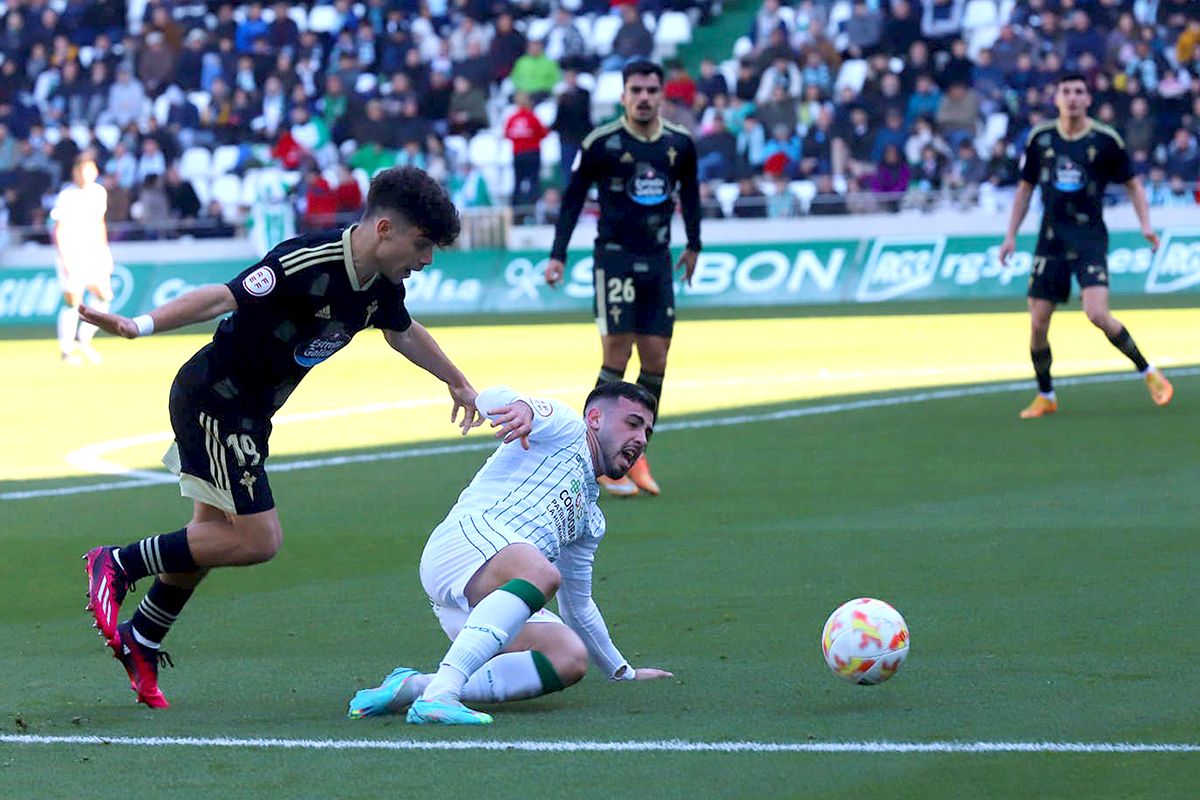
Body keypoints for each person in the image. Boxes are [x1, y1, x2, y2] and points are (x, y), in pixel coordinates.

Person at [77, 167, 483, 709]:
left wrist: (455, 379)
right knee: (257, 539)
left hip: (250, 413)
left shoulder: (382, 286)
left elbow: (401, 331)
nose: (427, 260)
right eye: (423, 244)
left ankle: (143, 637)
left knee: (208, 539)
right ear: (385, 228)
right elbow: (221, 298)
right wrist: (139, 326)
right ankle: (117, 563)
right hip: (216, 401)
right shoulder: (304, 260)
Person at [347, 382, 672, 725]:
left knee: (568, 656)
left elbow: (578, 605)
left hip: (481, 601)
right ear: (594, 417)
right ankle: (442, 695)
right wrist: (521, 408)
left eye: (647, 431)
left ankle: (415, 688)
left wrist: (622, 670)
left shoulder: (590, 519)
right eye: (632, 423)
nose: (641, 439)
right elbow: (492, 397)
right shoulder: (566, 428)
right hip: (462, 545)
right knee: (542, 574)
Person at [544, 61, 701, 498]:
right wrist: (557, 254)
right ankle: (588, 457)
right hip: (614, 258)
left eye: (652, 90)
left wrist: (694, 244)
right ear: (624, 96)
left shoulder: (680, 144)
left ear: (662, 95)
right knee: (617, 349)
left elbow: (689, 192)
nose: (645, 97)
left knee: (656, 359)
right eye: (637, 90)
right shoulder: (601, 144)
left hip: (658, 259)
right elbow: (572, 199)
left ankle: (634, 453)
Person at [998, 73, 1173, 419]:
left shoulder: (1105, 140)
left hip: (1089, 236)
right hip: (1051, 238)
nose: (1073, 97)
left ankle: (1148, 371)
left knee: (1096, 314)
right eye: (1066, 91)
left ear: (1088, 99)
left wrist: (1146, 226)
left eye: (1079, 91)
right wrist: (1010, 235)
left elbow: (1134, 185)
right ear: (1057, 98)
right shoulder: (1041, 138)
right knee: (1038, 323)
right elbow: (1024, 189)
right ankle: (1046, 394)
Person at [52, 153, 114, 364]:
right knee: (73, 302)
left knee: (104, 297)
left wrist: (105, 251)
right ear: (75, 173)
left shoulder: (99, 193)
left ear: (95, 171)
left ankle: (82, 338)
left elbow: (100, 224)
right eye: (81, 171)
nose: (85, 175)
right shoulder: (66, 196)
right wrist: (65, 258)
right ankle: (66, 350)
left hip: (95, 253)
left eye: (89, 170)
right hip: (72, 254)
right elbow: (59, 229)